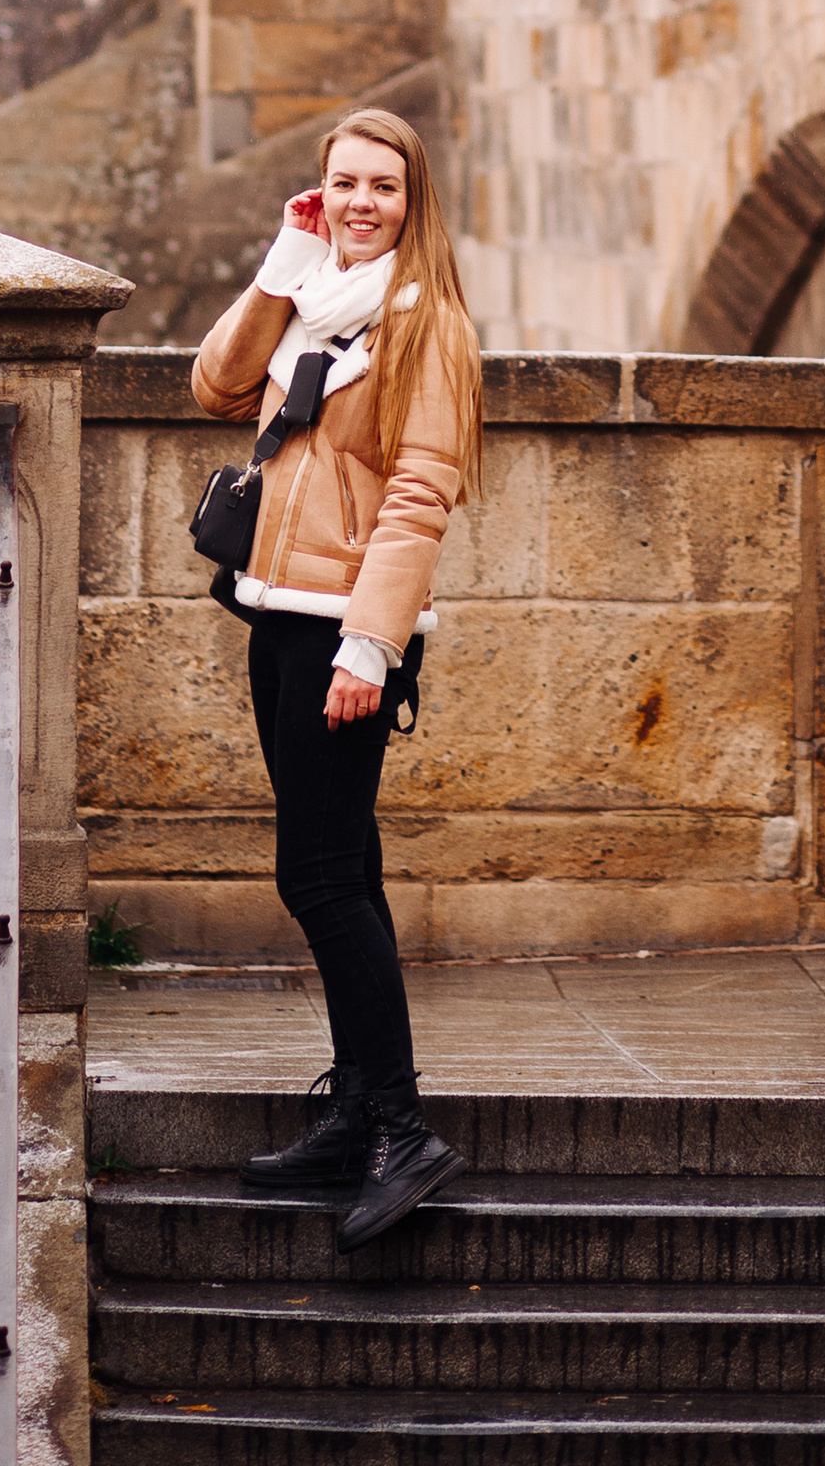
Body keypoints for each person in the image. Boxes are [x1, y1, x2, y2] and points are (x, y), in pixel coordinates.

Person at [191, 106, 484, 1243]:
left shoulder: (428, 329)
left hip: (342, 637)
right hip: (273, 616)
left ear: (416, 205)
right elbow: (218, 386)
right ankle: (357, 1111)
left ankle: (401, 1129)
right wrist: (280, 266)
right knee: (343, 867)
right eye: (345, 184)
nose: (363, 203)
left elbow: (419, 498)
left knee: (316, 877)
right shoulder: (314, 302)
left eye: (385, 189)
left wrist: (371, 647)